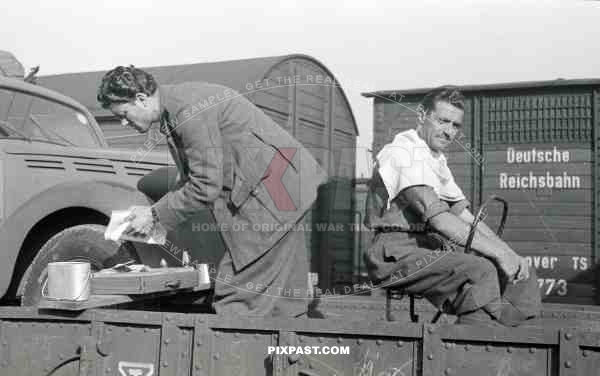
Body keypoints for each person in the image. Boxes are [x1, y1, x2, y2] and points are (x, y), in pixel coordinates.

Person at [97, 65, 327, 317]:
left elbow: (205, 185)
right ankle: (287, 350)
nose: (122, 122)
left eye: (124, 113)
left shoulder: (187, 112)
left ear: (141, 99)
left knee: (238, 297)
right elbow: (193, 178)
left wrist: (154, 216)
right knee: (283, 300)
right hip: (282, 187)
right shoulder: (175, 107)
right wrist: (153, 211)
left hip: (274, 193)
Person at [365, 86, 541, 326]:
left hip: (426, 246)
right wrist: (498, 254)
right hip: (395, 254)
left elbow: (465, 216)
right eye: (442, 121)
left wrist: (509, 254)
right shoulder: (402, 152)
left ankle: (510, 339)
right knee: (479, 271)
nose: (449, 132)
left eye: (455, 125)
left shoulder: (435, 159)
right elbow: (440, 219)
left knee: (522, 273)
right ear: (421, 115)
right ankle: (473, 353)